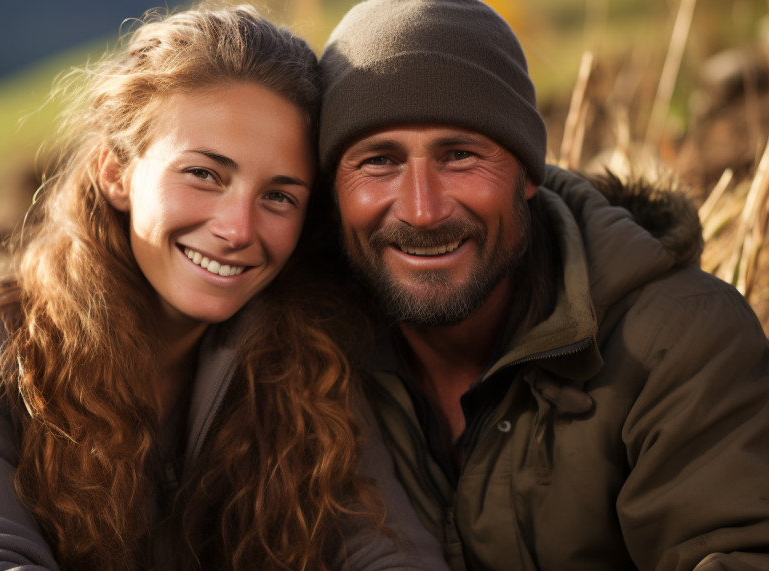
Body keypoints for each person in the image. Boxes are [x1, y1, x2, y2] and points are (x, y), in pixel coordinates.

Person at [0, 5, 447, 570]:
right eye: (203, 173)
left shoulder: (309, 358)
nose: (237, 229)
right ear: (116, 172)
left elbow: (387, 549)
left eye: (279, 196)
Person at [317, 0, 769, 569]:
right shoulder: (305, 354)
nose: (423, 210)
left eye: (460, 155)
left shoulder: (681, 339)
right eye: (378, 161)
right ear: (332, 191)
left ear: (529, 171)